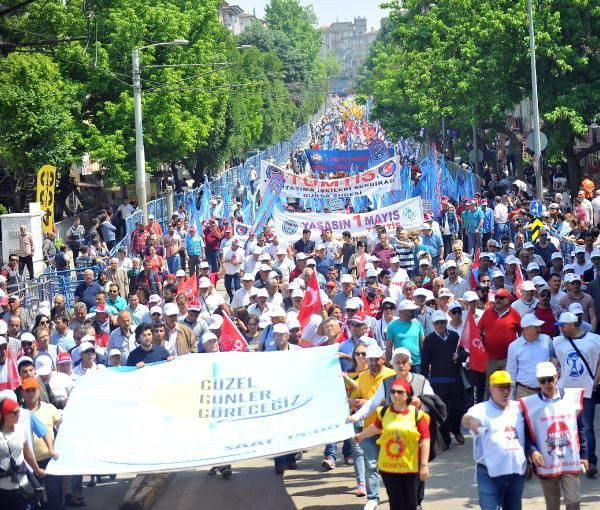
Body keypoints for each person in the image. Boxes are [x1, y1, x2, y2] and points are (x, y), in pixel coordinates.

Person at [354, 377, 430, 510]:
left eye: (400, 392)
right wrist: (361, 436)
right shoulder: (384, 412)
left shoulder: (417, 415)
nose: (396, 395)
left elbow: (425, 440)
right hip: (388, 467)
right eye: (393, 391)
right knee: (395, 503)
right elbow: (375, 428)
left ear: (408, 395)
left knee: (411, 503)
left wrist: (424, 465)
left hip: (410, 468)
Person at [520, 362, 588, 510]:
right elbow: (527, 434)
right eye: (542, 381)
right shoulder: (531, 405)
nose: (547, 384)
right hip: (547, 463)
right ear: (538, 382)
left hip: (571, 460)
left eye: (550, 379)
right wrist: (533, 451)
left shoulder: (571, 398)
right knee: (552, 505)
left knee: (573, 502)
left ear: (557, 376)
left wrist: (584, 455)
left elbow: (581, 429)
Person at [461, 370, 527, 510]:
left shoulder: (519, 407)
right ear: (491, 388)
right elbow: (466, 419)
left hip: (515, 473)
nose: (505, 392)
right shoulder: (481, 409)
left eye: (508, 387)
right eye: (501, 388)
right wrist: (472, 422)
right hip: (489, 474)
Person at [551, 311, 600, 478]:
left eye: (563, 326)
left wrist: (595, 381)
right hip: (566, 391)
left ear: (572, 325)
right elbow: (554, 362)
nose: (561, 329)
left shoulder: (594, 340)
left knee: (586, 427)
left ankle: (590, 461)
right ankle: (569, 460)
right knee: (566, 427)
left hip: (586, 390)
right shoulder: (557, 342)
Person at [348, 344, 395, 510]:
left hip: (389, 427)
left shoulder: (391, 375)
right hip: (369, 427)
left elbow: (391, 400)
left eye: (377, 359)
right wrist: (353, 403)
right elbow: (356, 397)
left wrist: (366, 403)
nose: (374, 362)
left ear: (383, 359)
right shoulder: (362, 377)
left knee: (391, 465)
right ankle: (373, 497)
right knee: (371, 464)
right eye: (371, 359)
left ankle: (394, 495)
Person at [421, 310, 467, 449]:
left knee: (458, 409)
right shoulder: (429, 340)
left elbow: (464, 352)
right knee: (442, 411)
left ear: (446, 323)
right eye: (437, 323)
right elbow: (424, 363)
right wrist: (424, 383)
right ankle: (445, 438)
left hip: (455, 380)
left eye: (442, 322)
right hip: (438, 382)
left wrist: (459, 356)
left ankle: (456, 429)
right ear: (433, 324)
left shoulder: (454, 336)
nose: (440, 325)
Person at [0, 397, 46, 509]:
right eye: (15, 412)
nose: (18, 415)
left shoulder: (21, 430)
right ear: (5, 414)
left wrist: (37, 469)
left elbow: (27, 454)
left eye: (19, 411)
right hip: (2, 488)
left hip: (22, 485)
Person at [478, 288, 522, 384]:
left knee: (507, 387)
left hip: (508, 359)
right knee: (491, 388)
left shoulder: (514, 314)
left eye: (501, 298)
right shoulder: (487, 312)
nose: (497, 300)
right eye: (496, 297)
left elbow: (521, 333)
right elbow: (478, 330)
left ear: (508, 300)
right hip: (491, 359)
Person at [506, 314, 553, 399]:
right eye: (536, 327)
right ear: (526, 329)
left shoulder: (547, 340)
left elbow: (554, 362)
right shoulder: (514, 346)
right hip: (524, 392)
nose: (539, 329)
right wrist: (510, 397)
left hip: (546, 391)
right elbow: (511, 373)